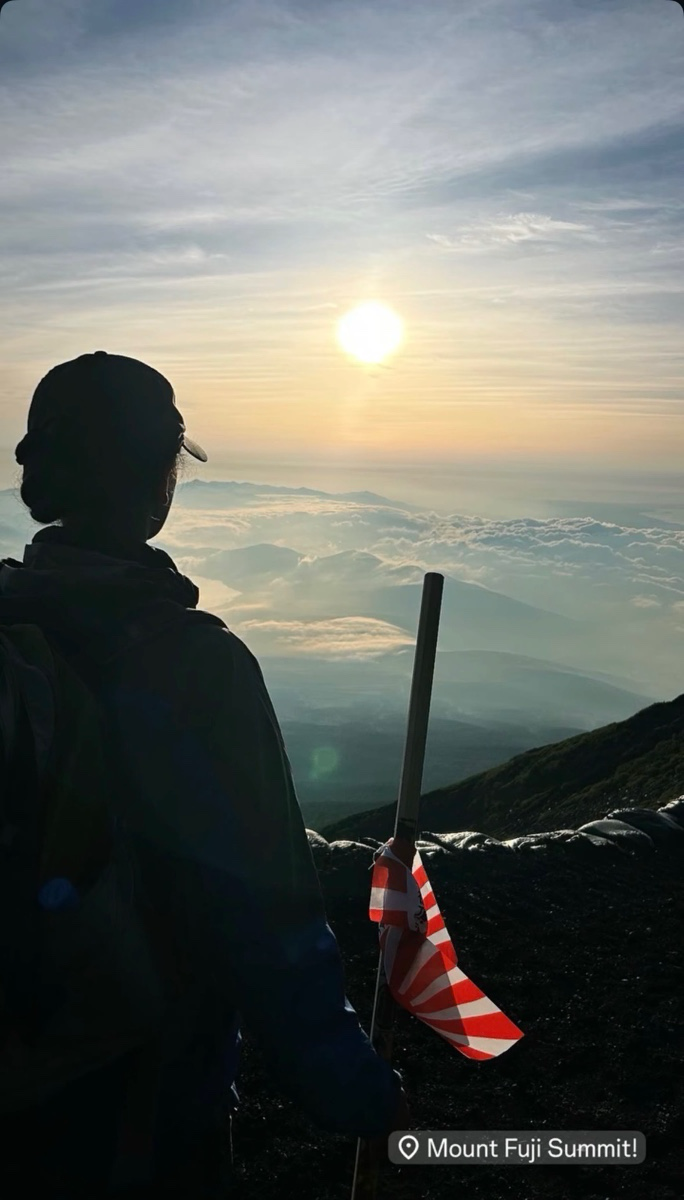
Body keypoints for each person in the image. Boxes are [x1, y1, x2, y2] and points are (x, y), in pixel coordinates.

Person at [0, 351, 407, 1198]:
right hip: (137, 1093)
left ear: (36, 471)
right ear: (158, 481)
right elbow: (266, 913)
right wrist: (354, 1090)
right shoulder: (195, 666)